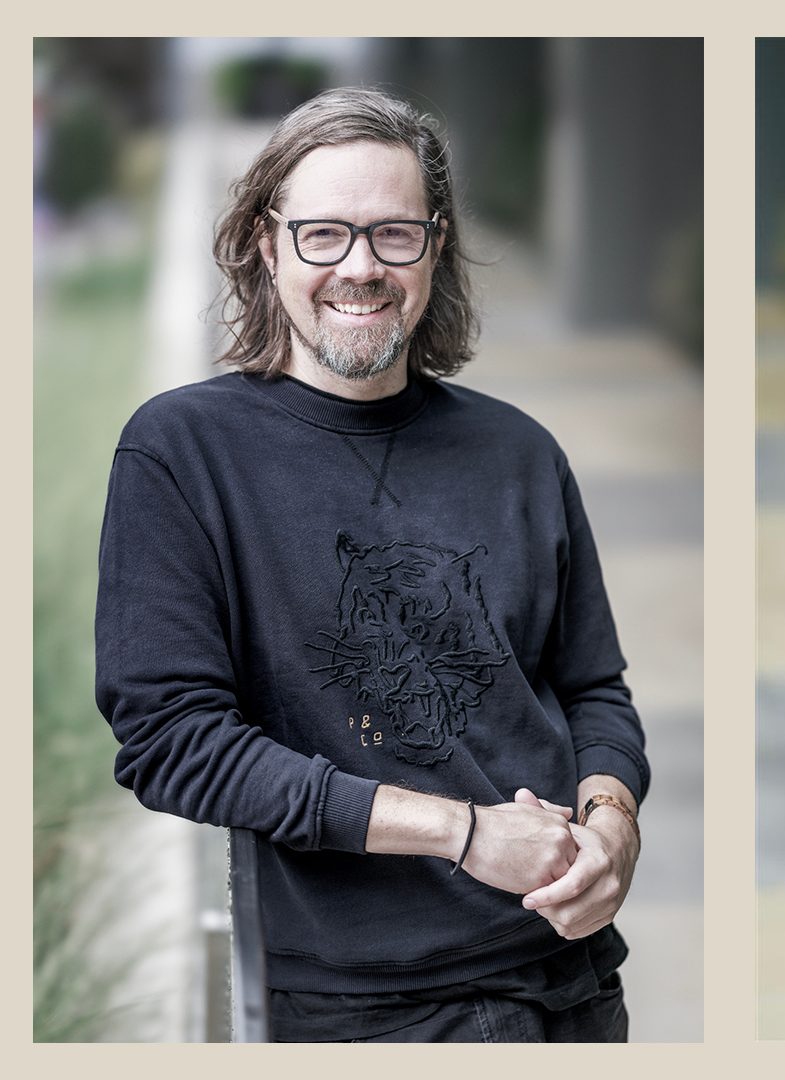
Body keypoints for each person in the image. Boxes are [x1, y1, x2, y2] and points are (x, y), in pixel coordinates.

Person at [95, 87, 649, 1043]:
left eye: (395, 234)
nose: (360, 266)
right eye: (323, 235)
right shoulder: (183, 452)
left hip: (572, 984)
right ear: (267, 247)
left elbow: (592, 688)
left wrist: (612, 826)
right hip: (358, 1010)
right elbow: (171, 740)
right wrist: (464, 832)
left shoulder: (519, 452)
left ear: (434, 249)